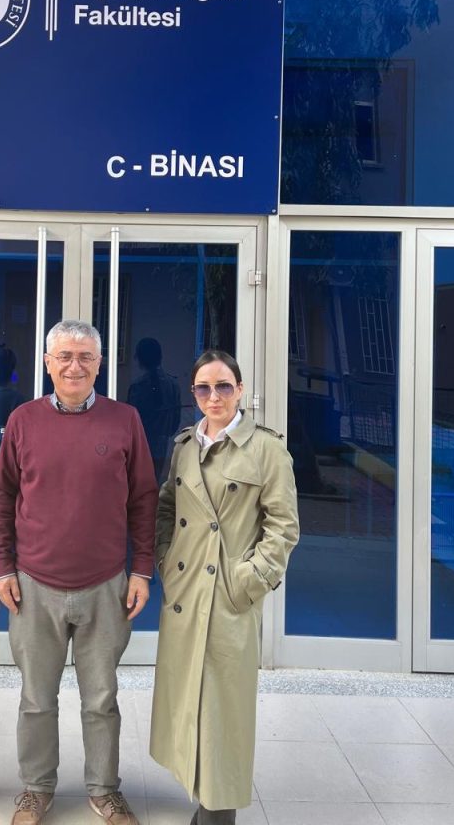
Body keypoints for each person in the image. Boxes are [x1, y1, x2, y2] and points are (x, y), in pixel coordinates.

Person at [0, 319, 158, 825]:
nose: (74, 366)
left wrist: (141, 569)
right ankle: (36, 789)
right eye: (63, 356)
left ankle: (105, 790)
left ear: (100, 364)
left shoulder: (125, 419)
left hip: (105, 584)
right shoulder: (22, 420)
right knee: (36, 699)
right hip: (33, 584)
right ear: (47, 363)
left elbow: (144, 498)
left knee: (101, 700)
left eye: (85, 356)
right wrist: (2, 568)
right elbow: (1, 496)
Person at [150, 349, 299, 825]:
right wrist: (167, 561)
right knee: (189, 700)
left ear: (240, 390)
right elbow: (167, 508)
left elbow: (283, 527)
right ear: (193, 392)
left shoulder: (267, 449)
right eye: (203, 388)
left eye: (223, 386)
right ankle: (202, 801)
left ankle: (217, 814)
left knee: (224, 710)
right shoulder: (184, 445)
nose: (213, 396)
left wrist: (247, 581)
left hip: (230, 597)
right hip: (186, 590)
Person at [127, 337, 181, 481]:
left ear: (140, 358)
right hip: (163, 443)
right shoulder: (173, 384)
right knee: (155, 481)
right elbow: (175, 421)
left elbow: (129, 423)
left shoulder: (138, 386)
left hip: (141, 444)